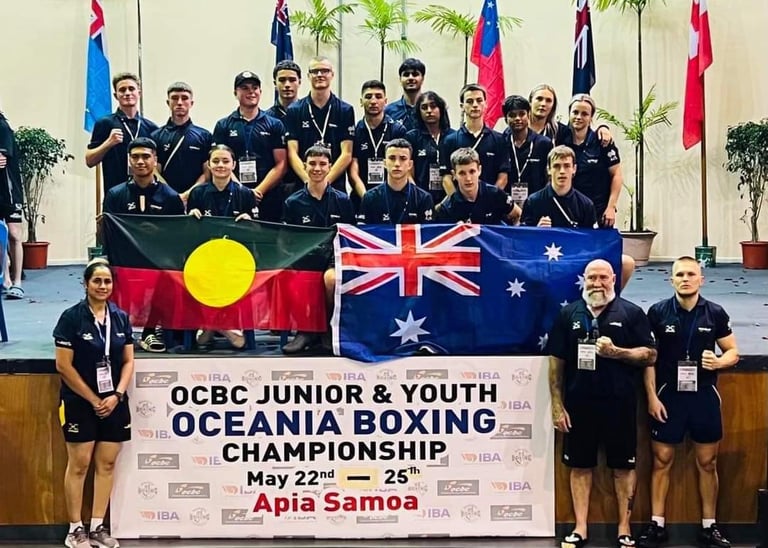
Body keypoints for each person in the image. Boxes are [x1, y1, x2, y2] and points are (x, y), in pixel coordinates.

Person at [547, 259, 657, 548]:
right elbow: (556, 363)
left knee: (623, 468)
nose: (598, 283)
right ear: (584, 279)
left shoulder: (631, 313)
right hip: (579, 406)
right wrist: (557, 405)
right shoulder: (568, 313)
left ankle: (624, 528)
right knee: (580, 467)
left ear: (614, 280)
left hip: (619, 405)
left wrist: (616, 352)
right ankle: (580, 528)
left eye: (604, 278)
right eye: (592, 277)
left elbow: (650, 356)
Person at [637, 256, 740, 548]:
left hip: (704, 397)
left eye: (691, 274)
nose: (685, 278)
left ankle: (710, 526)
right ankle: (657, 525)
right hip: (668, 396)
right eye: (679, 274)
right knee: (661, 460)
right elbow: (649, 359)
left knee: (708, 462)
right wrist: (651, 397)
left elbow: (733, 351)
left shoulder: (715, 313)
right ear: (671, 280)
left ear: (701, 280)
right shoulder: (657, 313)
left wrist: (719, 362)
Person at [53, 258, 134, 548]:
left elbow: (128, 361)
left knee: (107, 463)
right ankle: (75, 528)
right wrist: (94, 398)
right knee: (79, 464)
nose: (102, 286)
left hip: (114, 402)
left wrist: (117, 395)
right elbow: (63, 366)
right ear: (86, 284)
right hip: (79, 402)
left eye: (107, 281)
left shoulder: (121, 318)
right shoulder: (71, 318)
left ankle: (98, 525)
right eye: (97, 280)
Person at [521, 145, 636, 288]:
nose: (562, 171)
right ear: (549, 169)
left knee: (627, 262)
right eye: (556, 166)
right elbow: (522, 242)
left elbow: (593, 242)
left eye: (566, 166)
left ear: (574, 169)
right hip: (543, 260)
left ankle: (610, 304)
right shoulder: (534, 201)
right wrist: (537, 230)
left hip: (576, 259)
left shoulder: (585, 204)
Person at [282, 145, 355, 354]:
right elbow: (288, 240)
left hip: (334, 259)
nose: (317, 168)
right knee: (295, 278)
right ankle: (305, 331)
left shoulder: (342, 200)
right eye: (312, 164)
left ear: (330, 167)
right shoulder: (293, 202)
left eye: (322, 164)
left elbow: (349, 236)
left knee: (330, 280)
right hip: (305, 259)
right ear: (304, 166)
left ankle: (327, 329)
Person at [187, 145, 258, 349]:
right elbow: (191, 233)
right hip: (205, 258)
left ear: (233, 165)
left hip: (237, 258)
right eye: (216, 161)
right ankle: (224, 326)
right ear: (208, 165)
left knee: (231, 274)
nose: (220, 165)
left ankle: (212, 325)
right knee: (202, 274)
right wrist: (191, 218)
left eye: (225, 161)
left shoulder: (245, 194)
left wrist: (250, 221)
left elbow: (257, 231)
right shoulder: (198, 193)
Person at [211, 71, 287, 222]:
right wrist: (242, 191)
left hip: (268, 194)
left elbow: (281, 164)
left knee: (268, 239)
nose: (251, 92)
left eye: (254, 88)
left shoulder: (275, 124)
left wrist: (259, 191)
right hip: (233, 194)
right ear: (235, 93)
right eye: (244, 88)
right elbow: (220, 160)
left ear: (260, 92)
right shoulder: (223, 125)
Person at [284, 56, 355, 193]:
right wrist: (309, 181)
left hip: (334, 187)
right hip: (303, 188)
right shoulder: (295, 110)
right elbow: (292, 153)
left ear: (332, 75)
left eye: (325, 71)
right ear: (308, 76)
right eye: (315, 71)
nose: (320, 75)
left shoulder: (345, 110)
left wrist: (325, 182)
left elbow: (347, 153)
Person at [86, 72, 158, 192]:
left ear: (139, 93)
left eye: (131, 89)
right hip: (115, 194)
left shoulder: (151, 128)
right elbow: (89, 160)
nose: (127, 93)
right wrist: (108, 143)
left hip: (148, 193)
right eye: (122, 90)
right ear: (116, 95)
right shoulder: (104, 123)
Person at [561, 94, 622, 228]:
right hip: (567, 211)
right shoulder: (560, 139)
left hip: (598, 212)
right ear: (569, 113)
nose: (579, 117)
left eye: (584, 114)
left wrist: (611, 207)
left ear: (590, 117)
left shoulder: (603, 142)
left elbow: (616, 174)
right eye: (575, 112)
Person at [440, 83, 509, 196]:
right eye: (470, 101)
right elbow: (446, 178)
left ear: (486, 104)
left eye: (479, 100)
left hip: (489, 205)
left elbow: (503, 177)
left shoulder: (499, 139)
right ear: (462, 106)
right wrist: (459, 202)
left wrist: (489, 200)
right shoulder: (450, 140)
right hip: (461, 207)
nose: (475, 105)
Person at [348, 80, 407, 209]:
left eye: (378, 97)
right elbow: (353, 169)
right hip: (361, 196)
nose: (373, 101)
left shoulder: (397, 130)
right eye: (368, 97)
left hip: (391, 198)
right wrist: (366, 198)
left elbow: (403, 166)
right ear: (361, 101)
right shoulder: (355, 130)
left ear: (385, 101)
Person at [150, 82, 212, 200]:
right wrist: (172, 195)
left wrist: (188, 194)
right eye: (174, 98)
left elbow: (207, 173)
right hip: (165, 198)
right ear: (168, 103)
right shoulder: (156, 136)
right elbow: (155, 171)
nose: (179, 102)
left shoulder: (204, 135)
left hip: (196, 197)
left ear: (191, 103)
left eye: (184, 98)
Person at [434, 147, 519, 225]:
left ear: (479, 170)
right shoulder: (447, 208)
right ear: (454, 175)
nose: (468, 178)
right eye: (462, 173)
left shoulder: (496, 195)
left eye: (472, 172)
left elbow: (518, 215)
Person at [102, 137, 184, 217]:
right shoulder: (115, 196)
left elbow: (178, 229)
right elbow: (108, 229)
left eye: (146, 157)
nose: (140, 162)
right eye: (135, 157)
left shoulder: (171, 197)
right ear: (129, 161)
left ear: (155, 161)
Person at [358, 138, 433, 225]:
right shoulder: (370, 198)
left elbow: (429, 235)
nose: (397, 164)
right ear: (385, 163)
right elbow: (363, 235)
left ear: (410, 164)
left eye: (403, 158)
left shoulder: (423, 198)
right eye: (392, 158)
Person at [405, 91, 455, 204]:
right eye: (424, 107)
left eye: (433, 106)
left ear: (441, 109)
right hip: (420, 198)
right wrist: (418, 196)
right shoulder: (411, 137)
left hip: (449, 197)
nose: (429, 111)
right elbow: (407, 171)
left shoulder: (454, 137)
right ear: (419, 112)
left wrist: (449, 200)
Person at [501, 95, 553, 203]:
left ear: (528, 115)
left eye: (522, 114)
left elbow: (549, 177)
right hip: (506, 206)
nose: (518, 118)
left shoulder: (544, 143)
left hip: (537, 204)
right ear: (506, 119)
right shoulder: (500, 143)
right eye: (512, 115)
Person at [528, 84, 612, 147]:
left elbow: (582, 133)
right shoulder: (519, 128)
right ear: (530, 101)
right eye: (539, 99)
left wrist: (603, 128)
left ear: (553, 106)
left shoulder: (560, 131)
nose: (543, 104)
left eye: (548, 101)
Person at [266, 60, 304, 200]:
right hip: (274, 188)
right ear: (275, 84)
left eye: (292, 80)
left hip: (303, 185)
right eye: (282, 80)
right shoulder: (266, 118)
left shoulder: (308, 113)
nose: (287, 85)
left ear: (299, 82)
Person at [0, 110, 24, 300]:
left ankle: (17, 282)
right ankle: (5, 279)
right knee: (0, 235)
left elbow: (1, 160)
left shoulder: (2, 127)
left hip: (9, 191)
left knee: (14, 234)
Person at [384, 58, 426, 131]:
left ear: (422, 79)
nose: (410, 77)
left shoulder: (431, 109)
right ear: (400, 79)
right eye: (406, 75)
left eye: (415, 74)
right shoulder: (389, 111)